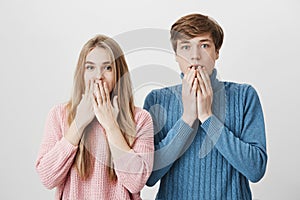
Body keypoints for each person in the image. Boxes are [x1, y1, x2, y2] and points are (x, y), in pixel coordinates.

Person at [143, 13, 267, 200]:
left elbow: (255, 169)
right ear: (176, 55)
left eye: (204, 45)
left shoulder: (244, 96)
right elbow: (149, 176)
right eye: (185, 47)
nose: (195, 56)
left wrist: (208, 118)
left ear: (216, 52)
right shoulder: (157, 100)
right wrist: (187, 118)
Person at [35, 34, 154, 200]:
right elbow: (47, 178)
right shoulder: (59, 115)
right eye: (90, 67)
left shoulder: (141, 119)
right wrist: (79, 123)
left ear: (119, 73)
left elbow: (136, 182)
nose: (99, 76)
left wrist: (111, 125)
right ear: (82, 73)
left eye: (108, 68)